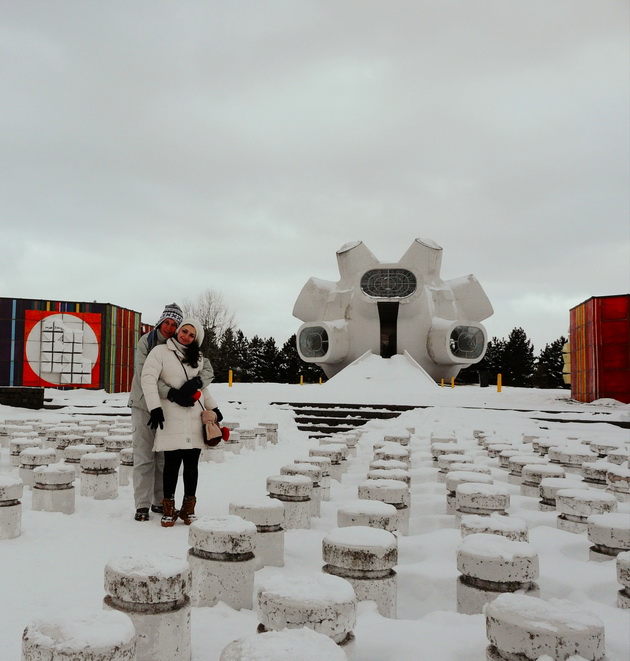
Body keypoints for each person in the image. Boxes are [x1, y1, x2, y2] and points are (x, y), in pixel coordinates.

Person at [127, 303, 214, 522]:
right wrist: (175, 394)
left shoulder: (182, 348)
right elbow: (147, 377)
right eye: (167, 322)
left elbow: (207, 369)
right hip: (144, 404)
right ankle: (142, 505)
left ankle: (160, 502)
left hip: (167, 408)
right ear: (160, 322)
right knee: (144, 456)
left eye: (174, 324)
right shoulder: (148, 343)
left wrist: (195, 383)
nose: (170, 327)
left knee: (164, 458)